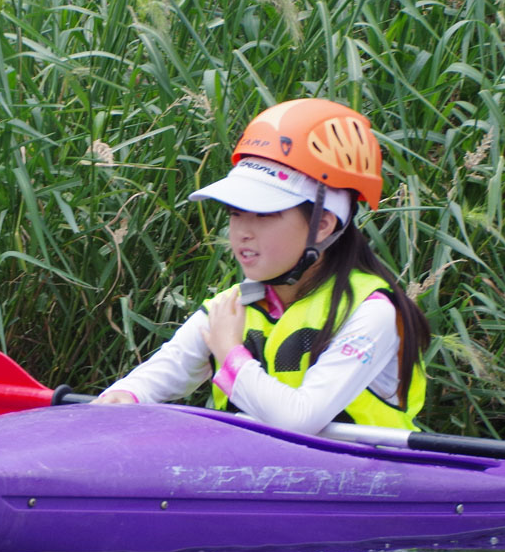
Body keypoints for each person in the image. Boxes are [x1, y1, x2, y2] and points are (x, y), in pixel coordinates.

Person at [93, 98, 430, 433]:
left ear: (323, 224)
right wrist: (125, 394)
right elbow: (158, 376)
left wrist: (230, 354)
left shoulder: (372, 312)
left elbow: (299, 419)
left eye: (265, 214)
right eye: (235, 213)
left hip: (367, 477)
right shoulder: (230, 307)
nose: (242, 233)